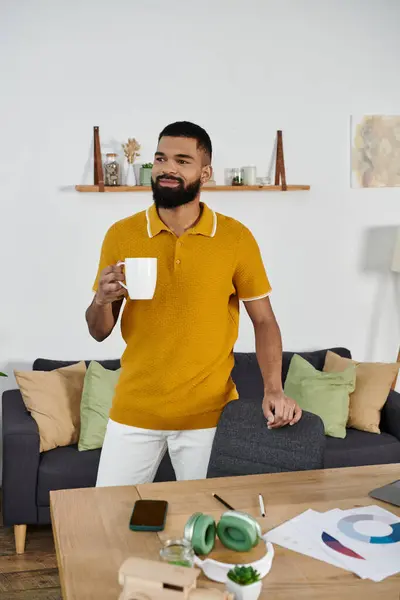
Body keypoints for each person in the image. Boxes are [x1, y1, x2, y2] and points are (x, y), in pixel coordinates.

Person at [86, 121, 302, 487]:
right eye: (160, 158)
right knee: (111, 520)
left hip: (209, 417)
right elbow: (99, 331)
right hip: (134, 411)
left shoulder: (235, 238)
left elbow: (264, 321)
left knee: (208, 524)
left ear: (205, 172)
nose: (168, 168)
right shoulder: (121, 234)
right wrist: (101, 299)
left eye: (182, 161)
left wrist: (273, 389)